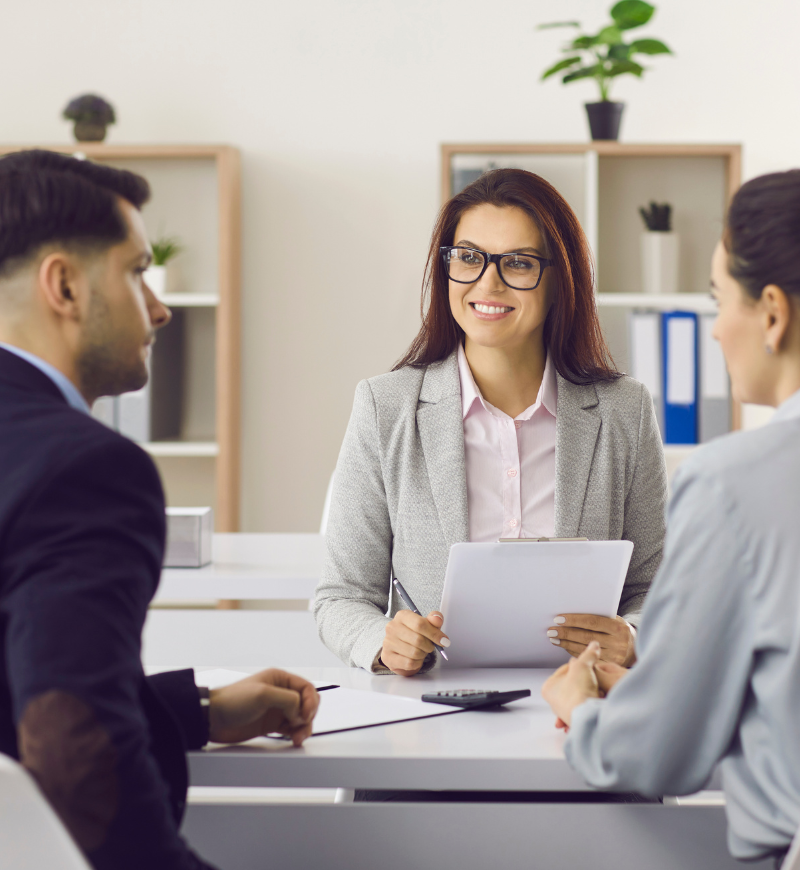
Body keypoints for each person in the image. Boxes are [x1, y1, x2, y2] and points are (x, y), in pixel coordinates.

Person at [0, 150, 319, 870]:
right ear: (65, 285)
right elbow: (73, 757)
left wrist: (197, 710)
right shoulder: (85, 471)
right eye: (137, 270)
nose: (160, 306)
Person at [542, 170, 800, 868]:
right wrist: (667, 690)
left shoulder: (733, 483)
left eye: (719, 301)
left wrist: (586, 707)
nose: (714, 330)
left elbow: (656, 757)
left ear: (772, 313)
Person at [315, 168, 667, 677]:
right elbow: (341, 597)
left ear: (559, 281)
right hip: (435, 708)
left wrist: (632, 636)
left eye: (519, 263)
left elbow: (655, 588)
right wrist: (382, 642)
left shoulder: (623, 412)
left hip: (583, 703)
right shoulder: (384, 407)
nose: (488, 283)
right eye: (469, 258)